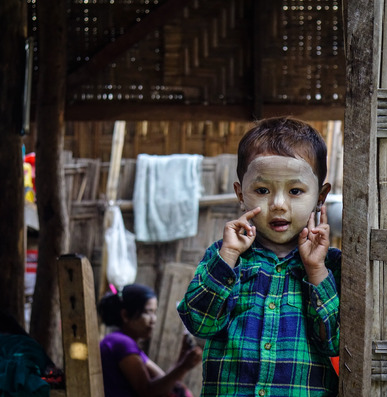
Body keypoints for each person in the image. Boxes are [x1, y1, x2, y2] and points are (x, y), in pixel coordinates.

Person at [177, 116, 341, 396]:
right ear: (241, 194)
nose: (278, 204)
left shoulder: (331, 264)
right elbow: (199, 323)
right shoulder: (225, 257)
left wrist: (315, 271)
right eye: (262, 190)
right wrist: (228, 255)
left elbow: (335, 343)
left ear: (320, 196)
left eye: (295, 191)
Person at [98, 283, 203, 397]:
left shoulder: (128, 345)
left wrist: (183, 356)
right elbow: (148, 391)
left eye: (154, 312)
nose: (154, 319)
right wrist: (184, 365)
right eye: (148, 312)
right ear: (125, 315)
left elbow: (166, 382)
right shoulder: (121, 343)